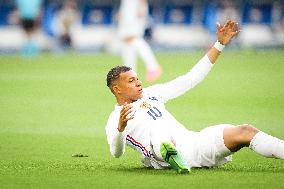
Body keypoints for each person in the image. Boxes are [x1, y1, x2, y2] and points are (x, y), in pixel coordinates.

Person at [105, 20, 284, 174]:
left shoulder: (152, 94)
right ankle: (169, 154)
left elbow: (190, 79)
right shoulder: (115, 118)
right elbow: (116, 152)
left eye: (137, 78)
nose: (138, 82)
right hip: (159, 155)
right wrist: (121, 128)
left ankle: (174, 156)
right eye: (131, 81)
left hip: (192, 145)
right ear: (117, 89)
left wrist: (219, 45)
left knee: (245, 131)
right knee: (158, 133)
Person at [117, 0, 162, 82]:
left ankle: (153, 66)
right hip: (128, 7)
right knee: (125, 40)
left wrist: (142, 7)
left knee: (133, 38)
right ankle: (129, 73)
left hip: (135, 8)